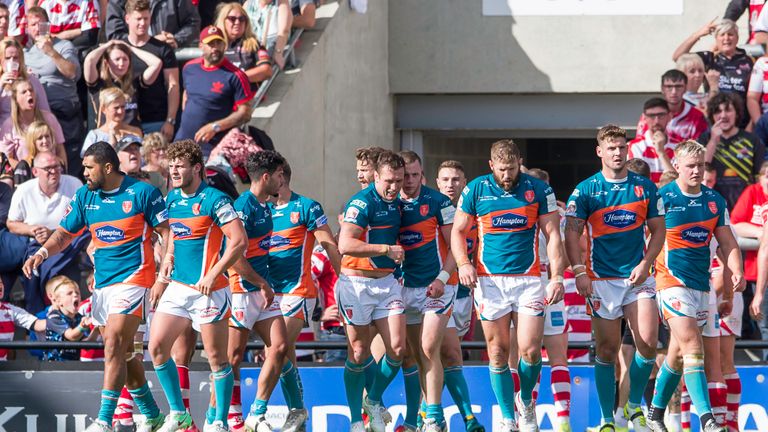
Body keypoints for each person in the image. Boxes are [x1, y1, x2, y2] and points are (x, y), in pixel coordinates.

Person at [22, 142, 169, 431]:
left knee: (114, 343)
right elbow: (64, 234)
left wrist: (164, 273)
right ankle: (152, 415)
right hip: (102, 286)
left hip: (135, 280)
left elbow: (166, 232)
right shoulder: (85, 196)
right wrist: (40, 253)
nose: (84, 172)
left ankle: (103, 420)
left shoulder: (142, 192)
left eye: (89, 167)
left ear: (108, 167)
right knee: (124, 353)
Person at [453, 139, 565, 432]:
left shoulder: (538, 189)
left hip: (529, 279)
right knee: (498, 350)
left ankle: (525, 402)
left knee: (529, 351)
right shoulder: (476, 189)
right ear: (491, 166)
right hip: (490, 280)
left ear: (520, 163)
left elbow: (553, 235)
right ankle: (506, 416)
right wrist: (464, 264)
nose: (507, 175)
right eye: (501, 169)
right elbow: (458, 231)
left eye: (512, 169)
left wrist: (556, 277)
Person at [564, 125, 666, 432]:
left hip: (637, 278)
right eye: (611, 148)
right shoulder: (586, 190)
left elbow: (659, 230)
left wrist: (647, 263)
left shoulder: (644, 187)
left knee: (648, 344)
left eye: (622, 147)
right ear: (600, 151)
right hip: (601, 280)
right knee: (607, 350)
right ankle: (607, 419)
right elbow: (571, 233)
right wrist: (580, 271)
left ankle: (634, 405)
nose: (618, 153)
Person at [148, 139, 246, 432]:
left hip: (210, 291)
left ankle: (219, 422)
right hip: (178, 287)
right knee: (157, 348)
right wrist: (164, 270)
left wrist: (214, 273)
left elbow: (239, 242)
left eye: (180, 166)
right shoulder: (172, 199)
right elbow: (172, 238)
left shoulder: (216, 200)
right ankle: (179, 413)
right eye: (172, 165)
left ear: (197, 168)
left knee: (218, 359)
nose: (174, 171)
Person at [646, 140, 744, 432]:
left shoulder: (714, 200)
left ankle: (654, 414)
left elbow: (728, 243)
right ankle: (707, 419)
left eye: (700, 165)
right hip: (670, 281)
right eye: (690, 166)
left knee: (677, 355)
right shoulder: (662, 197)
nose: (696, 171)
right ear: (676, 166)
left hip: (701, 286)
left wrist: (736, 270)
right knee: (692, 345)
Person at [268, 160, 341, 431]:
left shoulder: (306, 207)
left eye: (266, 177)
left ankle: (258, 410)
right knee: (283, 354)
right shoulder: (261, 209)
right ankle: (297, 411)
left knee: (278, 348)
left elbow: (328, 245)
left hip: (298, 290)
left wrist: (344, 282)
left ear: (280, 177)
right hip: (268, 293)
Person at [337, 150, 406, 432]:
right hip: (357, 285)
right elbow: (345, 245)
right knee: (358, 351)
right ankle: (355, 420)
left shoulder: (398, 204)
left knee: (398, 349)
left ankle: (374, 400)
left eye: (399, 181)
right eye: (389, 181)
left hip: (387, 283)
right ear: (376, 176)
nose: (394, 187)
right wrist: (386, 250)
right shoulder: (361, 202)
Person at [395, 151, 457, 432]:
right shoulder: (389, 203)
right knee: (414, 355)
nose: (409, 181)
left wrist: (443, 278)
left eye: (414, 175)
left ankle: (432, 414)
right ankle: (428, 415)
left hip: (436, 287)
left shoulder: (439, 202)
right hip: (403, 289)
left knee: (429, 347)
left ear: (422, 174)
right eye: (404, 175)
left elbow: (457, 246)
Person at [227, 150, 288, 432]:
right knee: (231, 358)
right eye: (278, 175)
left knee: (279, 347)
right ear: (266, 177)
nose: (282, 180)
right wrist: (262, 283)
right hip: (242, 289)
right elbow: (236, 259)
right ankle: (227, 415)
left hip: (263, 290)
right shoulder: (243, 207)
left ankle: (256, 413)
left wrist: (266, 283)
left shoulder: (265, 206)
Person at [434, 159, 485, 432]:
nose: (451, 185)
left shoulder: (474, 215)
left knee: (448, 355)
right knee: (447, 353)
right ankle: (462, 417)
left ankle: (427, 412)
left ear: (464, 184)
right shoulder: (428, 211)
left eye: (456, 180)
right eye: (445, 180)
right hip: (434, 293)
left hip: (465, 294)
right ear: (437, 183)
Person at [7, 151, 82, 313]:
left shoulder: (74, 184)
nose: (54, 171)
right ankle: (39, 317)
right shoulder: (24, 190)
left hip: (68, 243)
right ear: (35, 172)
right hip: (35, 243)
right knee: (32, 267)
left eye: (56, 166)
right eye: (48, 168)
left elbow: (83, 220)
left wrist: (53, 233)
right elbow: (11, 223)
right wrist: (32, 229)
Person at [175, 26, 254, 155]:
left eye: (219, 43)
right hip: (182, 143)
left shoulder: (236, 75)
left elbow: (245, 113)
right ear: (201, 46)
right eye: (211, 44)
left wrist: (215, 127)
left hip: (211, 150)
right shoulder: (189, 68)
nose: (215, 48)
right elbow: (187, 91)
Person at [24, 7, 84, 176]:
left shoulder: (64, 46)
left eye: (40, 23)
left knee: (70, 168)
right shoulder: (26, 54)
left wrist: (51, 52)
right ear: (27, 28)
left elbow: (73, 73)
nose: (37, 28)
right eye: (32, 24)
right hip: (39, 117)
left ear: (48, 25)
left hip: (65, 113)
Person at [673, 19, 753, 128]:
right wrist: (698, 34)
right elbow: (678, 57)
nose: (726, 38)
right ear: (716, 39)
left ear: (737, 38)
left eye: (730, 34)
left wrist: (751, 125)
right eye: (722, 35)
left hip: (741, 124)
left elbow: (754, 96)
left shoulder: (748, 61)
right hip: (713, 122)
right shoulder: (709, 58)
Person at [122, 0, 180, 140]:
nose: (143, 23)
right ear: (127, 18)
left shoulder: (162, 49)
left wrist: (170, 120)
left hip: (156, 120)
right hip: (126, 121)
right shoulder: (120, 48)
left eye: (146, 18)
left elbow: (173, 85)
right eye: (138, 19)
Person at [699, 92, 765, 209]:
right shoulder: (705, 138)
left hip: (744, 207)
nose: (723, 115)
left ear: (737, 113)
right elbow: (700, 168)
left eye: (728, 110)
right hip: (710, 205)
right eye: (718, 111)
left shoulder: (752, 140)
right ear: (712, 116)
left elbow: (760, 176)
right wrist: (713, 140)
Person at [83, 39, 163, 129]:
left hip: (132, 137)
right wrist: (107, 45)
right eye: (117, 59)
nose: (121, 64)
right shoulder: (98, 83)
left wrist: (131, 48)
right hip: (105, 137)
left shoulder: (134, 83)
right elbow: (89, 61)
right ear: (107, 62)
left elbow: (156, 63)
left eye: (125, 59)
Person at [0, 79, 63, 168]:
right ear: (15, 99)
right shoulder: (9, 125)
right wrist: (25, 170)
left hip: (51, 172)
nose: (29, 93)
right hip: (24, 176)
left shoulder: (49, 118)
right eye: (24, 92)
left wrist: (62, 168)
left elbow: (60, 149)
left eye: (31, 90)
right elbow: (7, 158)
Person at [635, 70, 708, 143]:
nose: (674, 92)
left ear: (685, 88)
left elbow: (699, 149)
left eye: (678, 86)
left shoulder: (697, 116)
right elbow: (640, 144)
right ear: (662, 89)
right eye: (669, 87)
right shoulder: (650, 115)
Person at [214, 2, 272, 92]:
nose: (237, 22)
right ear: (223, 21)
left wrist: (235, 78)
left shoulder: (254, 44)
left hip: (246, 98)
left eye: (241, 19)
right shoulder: (215, 46)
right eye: (232, 19)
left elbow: (266, 70)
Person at [106, 0, 201, 48]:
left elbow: (193, 22)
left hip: (167, 63)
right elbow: (114, 35)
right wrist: (150, 42)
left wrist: (176, 39)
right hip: (130, 66)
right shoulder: (117, 2)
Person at [628, 98, 678, 183]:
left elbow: (677, 184)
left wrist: (661, 152)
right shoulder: (634, 146)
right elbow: (637, 182)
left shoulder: (678, 147)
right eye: (651, 116)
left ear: (669, 116)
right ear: (644, 118)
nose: (656, 121)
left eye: (661, 115)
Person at [81, 88, 144, 156]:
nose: (120, 111)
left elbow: (142, 158)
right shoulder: (95, 136)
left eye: (123, 107)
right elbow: (86, 159)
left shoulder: (135, 132)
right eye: (116, 108)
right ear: (104, 109)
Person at [0, 37, 50, 122]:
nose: (12, 62)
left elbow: (45, 111)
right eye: (8, 58)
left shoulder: (31, 80)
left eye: (15, 58)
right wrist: (1, 85)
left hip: (29, 130)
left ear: (21, 59)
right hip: (5, 131)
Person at [43, 275, 89, 361]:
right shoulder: (54, 317)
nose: (75, 295)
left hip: (75, 366)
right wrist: (83, 326)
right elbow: (71, 336)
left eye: (77, 292)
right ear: (59, 302)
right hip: (55, 367)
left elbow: (86, 345)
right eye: (69, 293)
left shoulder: (80, 317)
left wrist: (97, 329)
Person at [0, 276, 46, 361]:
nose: (0, 286)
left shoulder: (10, 310)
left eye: (1, 283)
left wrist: (59, 322)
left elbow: (36, 324)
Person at [244, 0, 292, 69]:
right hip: (251, 44)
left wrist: (278, 53)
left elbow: (284, 31)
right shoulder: (248, 3)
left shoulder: (281, 3)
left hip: (271, 44)